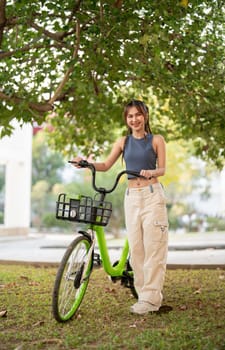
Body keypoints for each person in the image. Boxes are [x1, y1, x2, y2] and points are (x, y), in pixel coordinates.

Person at [72, 99, 169, 315]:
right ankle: (143, 295)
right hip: (131, 196)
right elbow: (106, 165)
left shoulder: (157, 140)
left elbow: (162, 168)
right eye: (130, 116)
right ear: (126, 119)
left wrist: (151, 172)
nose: (134, 119)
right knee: (136, 250)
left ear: (145, 116)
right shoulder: (123, 142)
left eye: (138, 115)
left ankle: (151, 299)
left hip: (152, 195)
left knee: (154, 248)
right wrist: (86, 163)